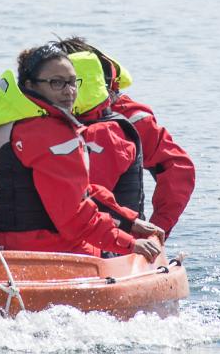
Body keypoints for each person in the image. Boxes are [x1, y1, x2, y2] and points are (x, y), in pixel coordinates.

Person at [0, 42, 164, 261]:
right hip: (50, 255)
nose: (69, 91)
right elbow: (75, 218)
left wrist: (127, 222)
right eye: (56, 83)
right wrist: (129, 243)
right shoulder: (52, 134)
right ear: (30, 85)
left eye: (73, 82)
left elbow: (76, 191)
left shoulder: (3, 123)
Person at [62, 38, 195, 239]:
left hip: (120, 240)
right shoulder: (42, 118)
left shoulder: (130, 119)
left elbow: (178, 169)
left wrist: (155, 231)